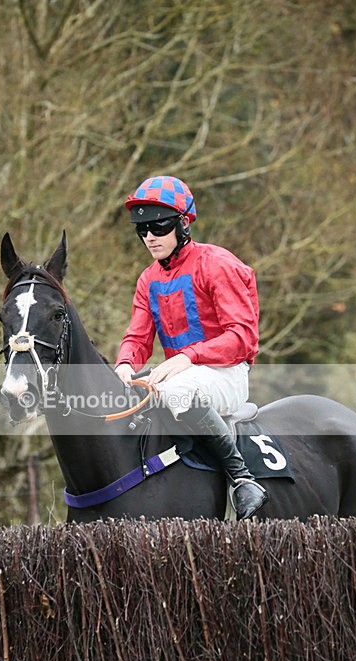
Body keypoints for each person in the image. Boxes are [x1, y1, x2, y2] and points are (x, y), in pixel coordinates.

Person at [115, 175, 268, 519]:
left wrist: (189, 355)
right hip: (180, 377)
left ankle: (242, 480)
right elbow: (138, 338)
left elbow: (242, 337)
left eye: (158, 226)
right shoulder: (148, 279)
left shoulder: (218, 264)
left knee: (177, 390)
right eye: (141, 229)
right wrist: (124, 364)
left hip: (226, 373)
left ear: (183, 223)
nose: (149, 237)